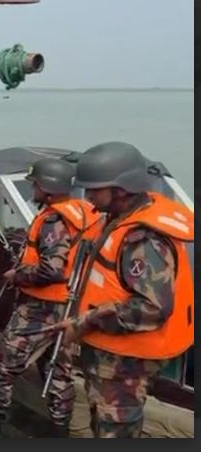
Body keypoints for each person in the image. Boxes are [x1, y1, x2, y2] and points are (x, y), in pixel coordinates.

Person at [46, 141, 194, 438]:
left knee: (115, 430)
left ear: (122, 189)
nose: (88, 196)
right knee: (102, 423)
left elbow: (152, 308)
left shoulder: (143, 240)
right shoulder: (116, 220)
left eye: (95, 190)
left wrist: (85, 321)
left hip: (126, 364)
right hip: (109, 356)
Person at [0, 158, 98, 438]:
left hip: (41, 308)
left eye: (36, 185)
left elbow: (52, 269)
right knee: (58, 373)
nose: (33, 190)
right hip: (70, 307)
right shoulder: (84, 214)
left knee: (1, 366)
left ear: (48, 188)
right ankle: (60, 434)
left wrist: (17, 275)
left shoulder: (54, 220)